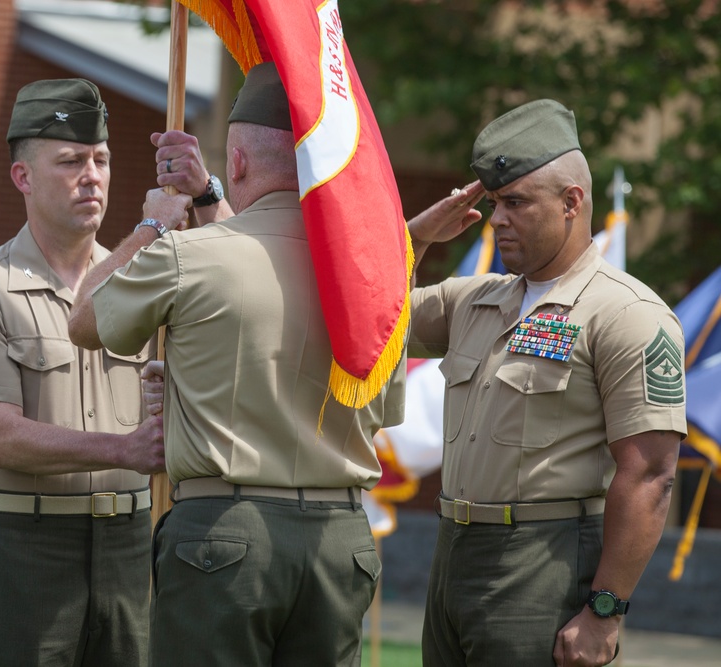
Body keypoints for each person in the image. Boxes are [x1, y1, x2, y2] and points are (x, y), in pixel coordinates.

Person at [68, 61, 406, 667]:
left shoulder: (188, 255)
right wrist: (207, 199)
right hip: (341, 541)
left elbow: (86, 320)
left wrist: (154, 224)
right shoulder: (375, 278)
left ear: (240, 163)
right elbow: (384, 408)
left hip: (226, 534)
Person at [406, 99, 688, 667]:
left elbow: (650, 474)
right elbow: (369, 317)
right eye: (492, 204)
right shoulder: (477, 298)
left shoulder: (627, 312)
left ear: (571, 202)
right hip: (452, 554)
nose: (496, 219)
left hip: (541, 562)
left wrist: (604, 612)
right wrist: (415, 237)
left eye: (515, 202)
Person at [0, 78, 165, 667]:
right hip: (25, 550)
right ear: (23, 177)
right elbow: (0, 436)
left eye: (102, 159)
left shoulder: (143, 287)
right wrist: (126, 448)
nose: (92, 175)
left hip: (131, 549)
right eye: (70, 161)